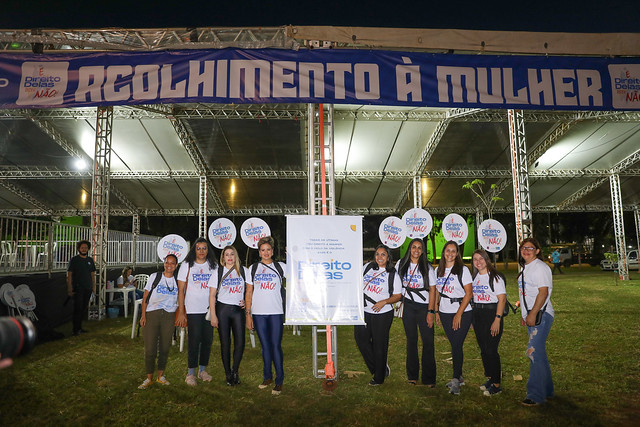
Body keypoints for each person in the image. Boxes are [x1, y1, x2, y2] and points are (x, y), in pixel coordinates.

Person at [356, 244, 402, 386]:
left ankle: (379, 377)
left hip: (382, 313)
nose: (379, 257)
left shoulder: (392, 274)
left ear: (388, 257)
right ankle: (379, 367)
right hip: (364, 310)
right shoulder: (368, 267)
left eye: (383, 254)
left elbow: (397, 296)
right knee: (361, 340)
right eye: (377, 254)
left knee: (379, 344)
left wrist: (385, 302)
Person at [246, 236, 286, 395]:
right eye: (263, 250)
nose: (266, 252)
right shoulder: (253, 268)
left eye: (268, 249)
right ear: (259, 251)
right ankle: (267, 377)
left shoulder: (281, 266)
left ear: (272, 251)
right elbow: (249, 292)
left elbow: (299, 274)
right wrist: (248, 315)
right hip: (258, 313)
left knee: (275, 345)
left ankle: (279, 381)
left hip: (276, 312)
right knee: (265, 346)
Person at [176, 237, 218, 387]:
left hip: (208, 310)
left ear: (208, 250)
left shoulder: (213, 265)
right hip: (192, 309)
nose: (201, 251)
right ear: (194, 249)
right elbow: (181, 290)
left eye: (204, 248)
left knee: (207, 341)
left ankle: (202, 370)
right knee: (194, 341)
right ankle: (190, 373)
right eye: (198, 248)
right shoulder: (187, 265)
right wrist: (182, 311)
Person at [518, 237, 555, 406]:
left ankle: (535, 395)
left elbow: (543, 293)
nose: (526, 250)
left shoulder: (540, 267)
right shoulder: (526, 267)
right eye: (523, 247)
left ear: (537, 251)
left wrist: (532, 314)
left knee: (532, 352)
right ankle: (547, 390)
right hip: (532, 315)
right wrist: (524, 314)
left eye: (530, 248)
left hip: (541, 315)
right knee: (539, 353)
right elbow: (526, 293)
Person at [395, 238, 437, 386]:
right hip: (408, 307)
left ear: (422, 250)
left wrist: (431, 311)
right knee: (411, 341)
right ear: (410, 249)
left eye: (419, 248)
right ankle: (412, 376)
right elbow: (395, 284)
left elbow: (433, 290)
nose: (416, 250)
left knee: (428, 342)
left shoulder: (427, 267)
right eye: (414, 247)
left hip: (424, 307)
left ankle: (429, 378)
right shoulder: (401, 264)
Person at [208, 245, 251, 386]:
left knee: (240, 342)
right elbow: (212, 295)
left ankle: (235, 371)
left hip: (238, 310)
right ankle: (227, 373)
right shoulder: (218, 272)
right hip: (223, 310)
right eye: (227, 254)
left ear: (236, 256)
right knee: (225, 343)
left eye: (232, 254)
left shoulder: (244, 271)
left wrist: (247, 301)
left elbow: (250, 290)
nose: (230, 257)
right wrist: (213, 315)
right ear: (223, 257)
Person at [434, 240, 473, 395]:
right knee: (454, 344)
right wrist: (436, 311)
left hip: (462, 312)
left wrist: (458, 314)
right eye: (447, 250)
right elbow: (437, 291)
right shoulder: (438, 270)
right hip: (444, 312)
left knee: (456, 345)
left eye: (453, 251)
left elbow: (469, 293)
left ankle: (456, 379)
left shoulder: (463, 270)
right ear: (444, 252)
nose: (450, 253)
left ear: (457, 254)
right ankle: (460, 376)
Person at [138, 254, 179, 390]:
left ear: (176, 266)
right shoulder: (155, 277)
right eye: (167, 262)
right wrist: (143, 316)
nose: (169, 265)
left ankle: (160, 376)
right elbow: (145, 297)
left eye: (172, 263)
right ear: (164, 263)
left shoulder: (178, 281)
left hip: (169, 316)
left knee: (165, 347)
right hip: (152, 314)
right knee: (150, 349)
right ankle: (149, 378)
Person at [471, 249, 507, 396]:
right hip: (478, 315)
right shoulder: (475, 277)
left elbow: (502, 299)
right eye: (475, 259)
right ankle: (491, 379)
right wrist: (473, 320)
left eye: (481, 258)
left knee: (491, 350)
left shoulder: (495, 277)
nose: (478, 262)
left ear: (487, 260)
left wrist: (497, 320)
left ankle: (497, 385)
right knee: (484, 350)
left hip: (492, 314)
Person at [66, 240, 96, 336]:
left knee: (83, 308)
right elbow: (69, 274)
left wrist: (93, 286)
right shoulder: (74, 260)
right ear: (79, 248)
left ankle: (79, 328)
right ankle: (75, 329)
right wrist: (70, 288)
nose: (84, 249)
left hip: (88, 288)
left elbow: (92, 275)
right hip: (78, 288)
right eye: (82, 248)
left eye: (86, 248)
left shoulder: (90, 260)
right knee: (77, 308)